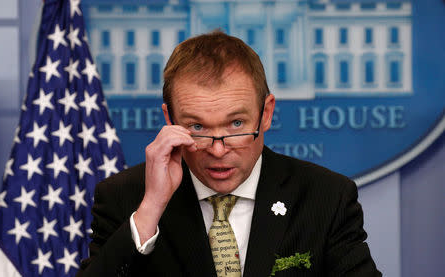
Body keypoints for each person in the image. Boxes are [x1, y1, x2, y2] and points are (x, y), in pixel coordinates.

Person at [77, 31, 381, 277]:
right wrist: (152, 208)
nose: (218, 149)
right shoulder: (125, 198)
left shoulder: (325, 197)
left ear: (266, 114)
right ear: (170, 121)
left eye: (236, 123)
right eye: (197, 126)